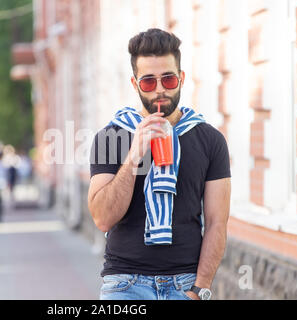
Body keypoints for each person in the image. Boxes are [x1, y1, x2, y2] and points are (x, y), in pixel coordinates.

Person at [88, 28, 231, 300]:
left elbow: (216, 222)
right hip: (125, 286)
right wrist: (135, 152)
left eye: (168, 79)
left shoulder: (210, 139)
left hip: (185, 285)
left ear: (181, 78)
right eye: (148, 83)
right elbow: (102, 218)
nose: (160, 90)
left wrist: (200, 289)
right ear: (135, 84)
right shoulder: (112, 136)